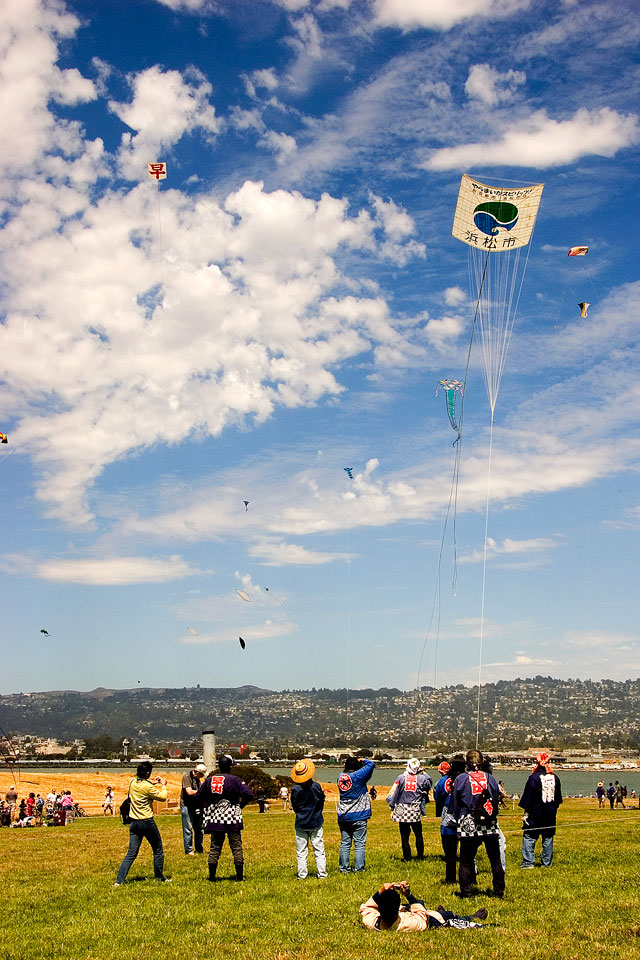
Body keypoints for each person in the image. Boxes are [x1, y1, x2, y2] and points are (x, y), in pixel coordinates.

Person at [450, 749, 504, 899]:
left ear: (467, 763)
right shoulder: (490, 778)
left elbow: (455, 802)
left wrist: (457, 818)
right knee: (495, 859)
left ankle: (466, 891)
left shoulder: (461, 779)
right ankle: (498, 890)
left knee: (466, 859)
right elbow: (495, 797)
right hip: (488, 821)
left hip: (468, 821)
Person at [198, 754, 254, 882]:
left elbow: (198, 796)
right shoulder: (235, 780)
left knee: (215, 847)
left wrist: (207, 807)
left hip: (215, 818)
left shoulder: (209, 780)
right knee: (236, 846)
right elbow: (248, 794)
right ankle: (239, 876)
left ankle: (212, 876)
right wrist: (240, 805)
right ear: (230, 767)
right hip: (232, 818)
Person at [115, 761, 170, 886]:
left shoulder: (132, 782)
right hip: (146, 821)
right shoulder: (148, 787)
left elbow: (144, 785)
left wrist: (154, 782)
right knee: (157, 849)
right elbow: (162, 797)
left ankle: (119, 880)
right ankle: (159, 877)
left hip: (134, 822)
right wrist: (163, 785)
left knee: (131, 853)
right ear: (148, 773)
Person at [359, 881, 488, 931]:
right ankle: (472, 916)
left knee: (410, 906)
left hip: (404, 912)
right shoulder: (408, 924)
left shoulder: (372, 921)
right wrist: (409, 895)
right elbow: (422, 913)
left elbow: (366, 908)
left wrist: (381, 891)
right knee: (449, 916)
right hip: (431, 920)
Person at [519, 751, 562, 869]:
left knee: (529, 836)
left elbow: (528, 797)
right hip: (550, 814)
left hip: (535, 813)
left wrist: (526, 811)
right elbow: (558, 799)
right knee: (548, 838)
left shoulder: (533, 778)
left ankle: (528, 862)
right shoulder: (555, 778)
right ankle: (547, 863)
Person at [386, 758, 432, 861]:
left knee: (404, 835)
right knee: (418, 834)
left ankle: (407, 857)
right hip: (415, 809)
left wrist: (391, 805)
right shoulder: (422, 779)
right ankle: (420, 856)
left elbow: (395, 792)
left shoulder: (401, 778)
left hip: (402, 809)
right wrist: (424, 772)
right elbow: (429, 783)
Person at [290, 759, 327, 880]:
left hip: (301, 822)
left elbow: (295, 806)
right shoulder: (316, 786)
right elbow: (321, 802)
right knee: (319, 850)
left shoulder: (295, 789)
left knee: (301, 852)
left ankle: (302, 875)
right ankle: (322, 874)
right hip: (315, 821)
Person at [337, 756, 375, 873]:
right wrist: (363, 760)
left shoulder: (340, 777)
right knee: (359, 844)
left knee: (345, 843)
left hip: (343, 815)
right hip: (358, 815)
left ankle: (344, 868)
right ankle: (359, 868)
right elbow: (371, 765)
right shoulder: (357, 776)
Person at [434, 755, 465, 884]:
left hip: (448, 817)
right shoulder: (467, 779)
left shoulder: (444, 781)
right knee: (467, 852)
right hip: (464, 817)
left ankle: (450, 878)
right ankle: (469, 877)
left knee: (450, 852)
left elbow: (438, 796)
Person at [180, 762, 206, 855]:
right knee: (188, 828)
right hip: (186, 806)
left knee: (199, 828)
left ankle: (199, 849)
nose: (200, 776)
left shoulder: (198, 780)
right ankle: (189, 850)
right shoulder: (187, 777)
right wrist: (201, 792)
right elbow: (189, 792)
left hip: (196, 806)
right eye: (200, 774)